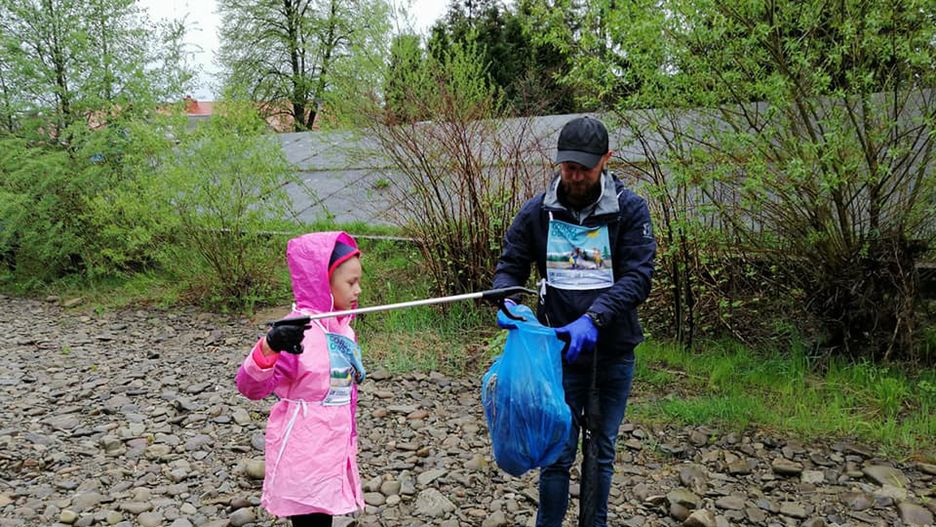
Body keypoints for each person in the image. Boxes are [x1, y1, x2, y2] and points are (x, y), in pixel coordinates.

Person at [493, 116, 656, 527]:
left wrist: (596, 317)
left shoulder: (629, 210)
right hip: (558, 353)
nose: (576, 175)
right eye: (568, 166)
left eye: (585, 167)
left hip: (612, 351)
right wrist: (509, 301)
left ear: (606, 159)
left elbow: (639, 277)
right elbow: (510, 266)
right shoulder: (538, 212)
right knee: (557, 450)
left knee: (601, 449)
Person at [236, 231, 366, 527]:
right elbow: (249, 386)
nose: (358, 290)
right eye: (350, 283)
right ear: (324, 281)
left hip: (335, 444)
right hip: (304, 448)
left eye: (359, 281)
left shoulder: (342, 327)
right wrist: (270, 345)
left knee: (325, 515)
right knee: (310, 520)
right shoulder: (297, 331)